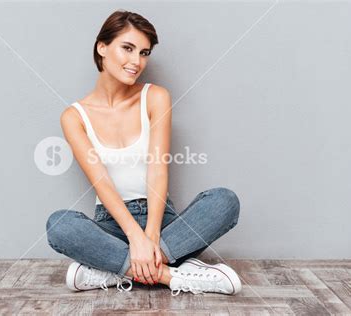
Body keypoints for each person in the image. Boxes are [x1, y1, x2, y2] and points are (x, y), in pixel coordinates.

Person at [46, 10, 242, 296]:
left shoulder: (155, 97)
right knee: (59, 225)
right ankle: (170, 275)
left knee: (225, 201)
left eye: (144, 52)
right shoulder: (74, 116)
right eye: (127, 48)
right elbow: (101, 181)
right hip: (112, 225)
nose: (136, 61)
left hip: (162, 221)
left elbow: (158, 169)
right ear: (102, 47)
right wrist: (135, 238)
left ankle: (114, 269)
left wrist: (150, 236)